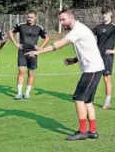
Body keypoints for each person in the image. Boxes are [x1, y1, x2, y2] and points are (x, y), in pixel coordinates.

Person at [25, 8, 105, 141]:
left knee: (78, 98)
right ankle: (93, 131)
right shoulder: (81, 29)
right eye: (60, 20)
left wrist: (37, 52)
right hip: (95, 68)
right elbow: (88, 49)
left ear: (71, 17)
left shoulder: (77, 30)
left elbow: (58, 45)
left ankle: (83, 131)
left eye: (63, 19)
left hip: (92, 69)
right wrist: (74, 60)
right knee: (88, 101)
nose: (61, 23)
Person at [92, 6, 115, 109]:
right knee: (93, 78)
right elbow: (88, 37)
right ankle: (89, 98)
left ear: (111, 14)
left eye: (106, 13)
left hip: (107, 57)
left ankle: (107, 102)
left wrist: (114, 50)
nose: (104, 15)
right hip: (96, 57)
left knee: (106, 79)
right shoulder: (97, 27)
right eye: (103, 13)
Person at [8, 10, 49, 99]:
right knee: (21, 71)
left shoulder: (39, 28)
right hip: (22, 52)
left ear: (35, 17)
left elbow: (47, 38)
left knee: (30, 73)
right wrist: (15, 43)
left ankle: (27, 93)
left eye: (31, 17)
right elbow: (10, 32)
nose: (29, 19)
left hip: (33, 53)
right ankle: (19, 93)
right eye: (28, 17)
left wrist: (40, 47)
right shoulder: (21, 25)